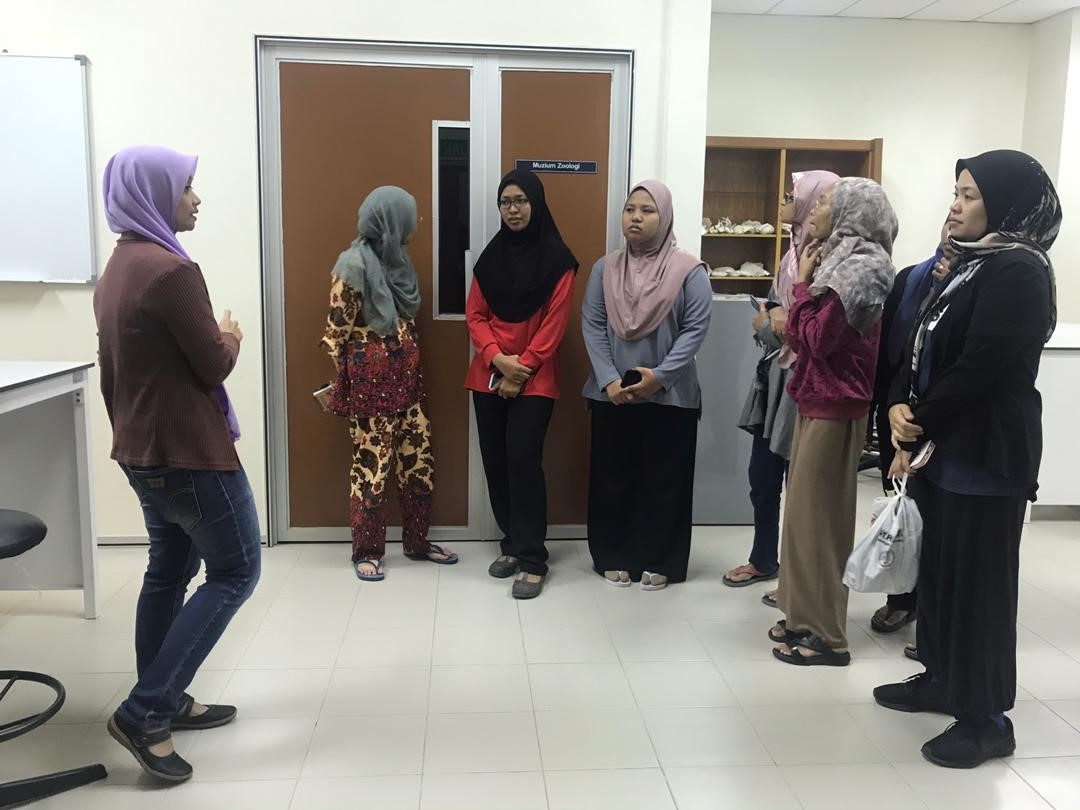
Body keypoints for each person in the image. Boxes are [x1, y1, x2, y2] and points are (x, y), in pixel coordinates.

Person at [873, 151, 1061, 769]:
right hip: (945, 448)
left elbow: (981, 366)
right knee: (941, 576)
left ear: (1004, 204)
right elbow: (917, 342)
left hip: (985, 453)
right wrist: (897, 403)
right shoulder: (970, 265)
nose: (955, 205)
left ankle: (986, 719)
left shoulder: (1020, 271)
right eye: (955, 192)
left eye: (970, 195)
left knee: (979, 588)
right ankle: (941, 679)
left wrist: (918, 420)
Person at [94, 145, 260, 782]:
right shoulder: (170, 272)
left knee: (168, 570)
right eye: (186, 186)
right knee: (236, 570)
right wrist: (232, 335)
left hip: (141, 450)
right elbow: (212, 364)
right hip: (189, 453)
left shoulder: (118, 269)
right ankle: (147, 710)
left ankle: (164, 694)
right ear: (154, 192)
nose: (195, 198)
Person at [769, 177, 897, 667]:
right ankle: (800, 616)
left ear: (850, 212)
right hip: (816, 399)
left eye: (825, 200)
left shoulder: (864, 268)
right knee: (801, 518)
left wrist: (801, 287)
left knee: (821, 524)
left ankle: (828, 636)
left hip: (837, 405)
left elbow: (817, 339)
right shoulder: (837, 260)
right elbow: (804, 334)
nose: (816, 208)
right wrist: (804, 291)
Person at [320, 187, 457, 581]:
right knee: (372, 469)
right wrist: (357, 376)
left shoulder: (398, 262)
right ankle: (366, 551)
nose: (415, 223)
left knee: (419, 464)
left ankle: (417, 542)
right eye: (409, 217)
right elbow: (335, 335)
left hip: (409, 387)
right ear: (390, 221)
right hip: (371, 391)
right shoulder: (351, 265)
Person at [582, 180, 712, 590]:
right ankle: (613, 553)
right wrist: (608, 379)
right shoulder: (604, 269)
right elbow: (593, 325)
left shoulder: (690, 270)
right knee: (612, 478)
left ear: (665, 216)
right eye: (630, 209)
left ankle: (661, 559)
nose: (635, 217)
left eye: (647, 210)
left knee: (665, 480)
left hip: (670, 395)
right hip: (613, 394)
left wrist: (661, 377)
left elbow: (695, 329)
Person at [465, 170, 577, 599]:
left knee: (523, 464)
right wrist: (497, 358)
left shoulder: (558, 260)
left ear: (536, 202)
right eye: (505, 202)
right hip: (488, 373)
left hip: (535, 378)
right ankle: (511, 542)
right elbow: (475, 315)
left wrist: (520, 369)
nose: (513, 210)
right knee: (495, 462)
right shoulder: (490, 258)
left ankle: (532, 559)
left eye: (520, 201)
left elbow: (555, 324)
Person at [727, 170, 838, 588]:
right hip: (775, 378)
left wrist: (774, 325)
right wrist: (774, 314)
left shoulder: (829, 259)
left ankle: (797, 578)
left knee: (801, 486)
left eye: (794, 196)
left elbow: (812, 331)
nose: (784, 202)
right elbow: (775, 306)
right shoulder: (792, 253)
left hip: (807, 382)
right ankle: (763, 559)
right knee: (763, 477)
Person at [868, 218, 954, 636]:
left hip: (946, 415)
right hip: (897, 410)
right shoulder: (909, 278)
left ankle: (936, 616)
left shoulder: (976, 285)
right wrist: (886, 405)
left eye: (968, 199)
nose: (952, 222)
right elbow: (892, 350)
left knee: (939, 521)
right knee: (902, 507)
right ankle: (902, 597)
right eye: (947, 216)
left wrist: (949, 286)